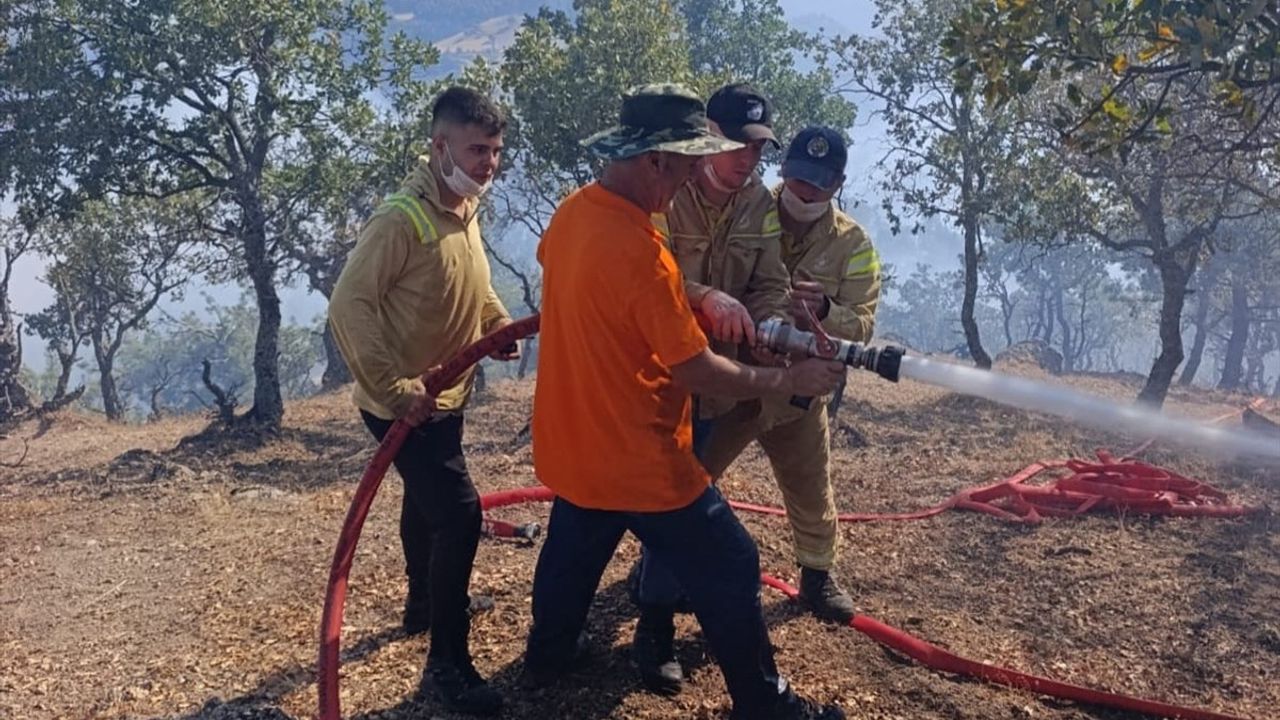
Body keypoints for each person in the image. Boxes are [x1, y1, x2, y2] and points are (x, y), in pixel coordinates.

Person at [523, 83, 846, 720]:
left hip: (573, 441)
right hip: (641, 455)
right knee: (732, 560)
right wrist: (784, 383)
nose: (695, 174)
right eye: (685, 162)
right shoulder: (644, 254)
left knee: (575, 541)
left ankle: (549, 652)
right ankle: (765, 702)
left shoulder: (571, 216)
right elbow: (696, 370)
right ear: (653, 161)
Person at [328, 86, 518, 715]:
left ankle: (421, 603)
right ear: (440, 147)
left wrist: (497, 323)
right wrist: (395, 388)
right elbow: (348, 306)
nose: (489, 161)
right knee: (460, 515)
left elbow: (472, 282)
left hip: (446, 392)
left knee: (426, 500)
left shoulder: (464, 207)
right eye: (477, 149)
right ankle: (448, 664)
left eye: (495, 150)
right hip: (404, 405)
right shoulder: (400, 219)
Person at [697, 125, 882, 622]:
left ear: (838, 183)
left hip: (800, 396)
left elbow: (862, 324)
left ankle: (818, 578)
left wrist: (824, 310)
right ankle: (662, 566)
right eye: (798, 180)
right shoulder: (748, 210)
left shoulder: (855, 244)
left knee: (810, 487)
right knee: (691, 479)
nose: (805, 193)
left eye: (818, 185)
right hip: (734, 380)